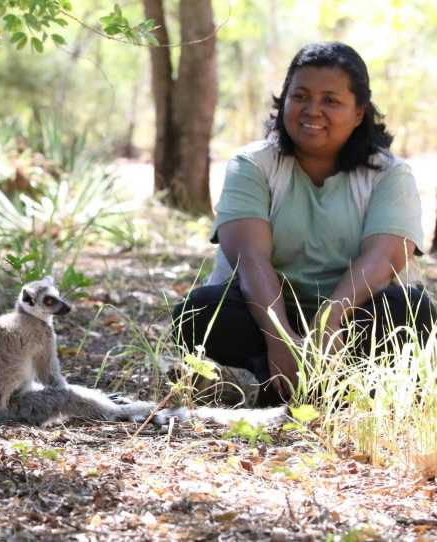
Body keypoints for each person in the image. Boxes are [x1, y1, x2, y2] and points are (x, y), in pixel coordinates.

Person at [172, 42, 434, 404]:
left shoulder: (389, 173)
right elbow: (250, 258)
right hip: (265, 312)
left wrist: (330, 321)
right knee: (199, 311)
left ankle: (346, 384)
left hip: (354, 311)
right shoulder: (252, 165)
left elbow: (383, 259)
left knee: (413, 311)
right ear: (284, 103)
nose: (313, 110)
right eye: (300, 96)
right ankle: (275, 376)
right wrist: (281, 339)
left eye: (331, 100)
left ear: (359, 113)